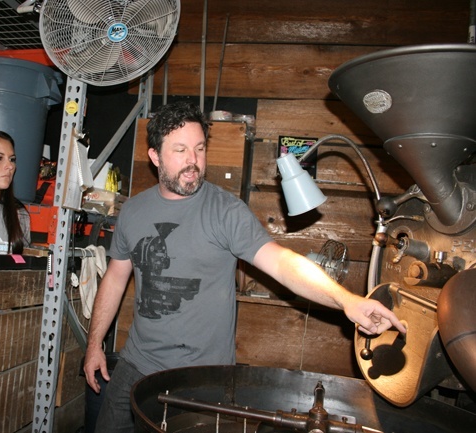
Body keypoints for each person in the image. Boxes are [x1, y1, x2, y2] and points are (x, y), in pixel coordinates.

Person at [82, 101, 407, 432]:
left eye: (199, 148)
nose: (193, 161)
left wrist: (346, 300)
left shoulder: (226, 212)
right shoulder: (134, 212)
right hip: (136, 366)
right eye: (180, 150)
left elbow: (281, 263)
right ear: (155, 156)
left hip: (202, 379)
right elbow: (114, 278)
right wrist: (95, 345)